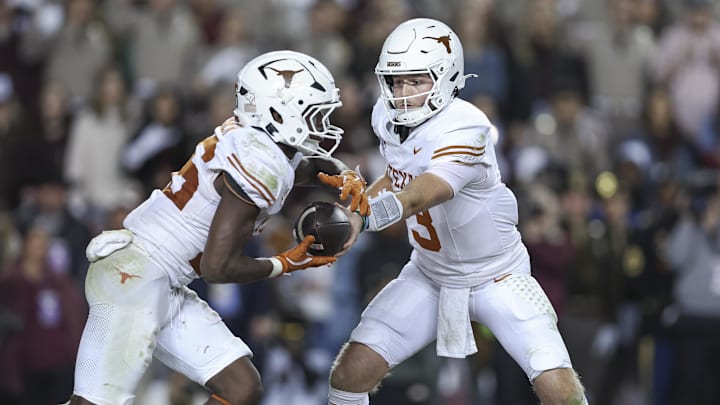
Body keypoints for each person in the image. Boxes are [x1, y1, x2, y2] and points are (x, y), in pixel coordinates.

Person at [68, 50, 369, 405]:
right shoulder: (257, 160)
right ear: (278, 110)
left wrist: (344, 174)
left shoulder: (261, 145)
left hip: (162, 277)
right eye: (313, 112)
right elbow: (217, 267)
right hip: (136, 274)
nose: (322, 123)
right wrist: (287, 263)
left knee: (241, 387)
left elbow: (302, 168)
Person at [327, 18, 588, 405]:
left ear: (446, 78)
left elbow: (424, 192)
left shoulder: (467, 127)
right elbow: (398, 177)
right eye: (397, 82)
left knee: (559, 390)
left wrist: (363, 220)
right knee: (350, 374)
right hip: (429, 273)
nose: (402, 93)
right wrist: (354, 210)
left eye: (415, 81)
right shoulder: (386, 116)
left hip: (496, 275)